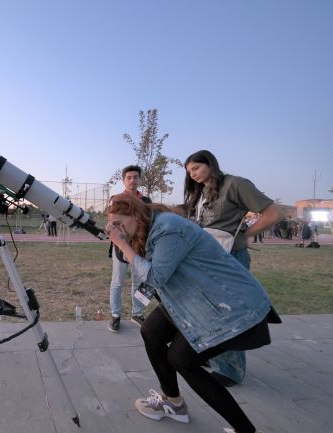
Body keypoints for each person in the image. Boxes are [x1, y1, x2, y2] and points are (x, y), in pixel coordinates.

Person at [106, 192, 274, 433]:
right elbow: (135, 261)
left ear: (135, 214)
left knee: (182, 360)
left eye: (120, 223)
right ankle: (173, 403)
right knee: (151, 332)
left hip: (227, 304)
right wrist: (122, 240)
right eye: (113, 225)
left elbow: (154, 276)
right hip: (192, 297)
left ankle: (245, 430)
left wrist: (122, 242)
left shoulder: (168, 228)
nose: (117, 228)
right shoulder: (147, 225)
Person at [183, 150, 282, 387]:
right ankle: (212, 355)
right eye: (189, 172)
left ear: (210, 163)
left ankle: (230, 370)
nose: (193, 174)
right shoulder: (202, 191)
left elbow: (274, 213)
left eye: (196, 168)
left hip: (230, 258)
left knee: (228, 313)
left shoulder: (236, 184)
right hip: (207, 258)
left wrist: (246, 235)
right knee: (208, 311)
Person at [108, 165, 150, 333]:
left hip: (140, 246)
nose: (132, 180)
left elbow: (149, 222)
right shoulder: (116, 199)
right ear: (124, 180)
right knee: (117, 282)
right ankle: (115, 315)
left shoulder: (146, 201)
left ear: (140, 179)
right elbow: (113, 223)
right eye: (129, 177)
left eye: (135, 177)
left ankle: (137, 313)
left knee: (140, 282)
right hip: (121, 246)